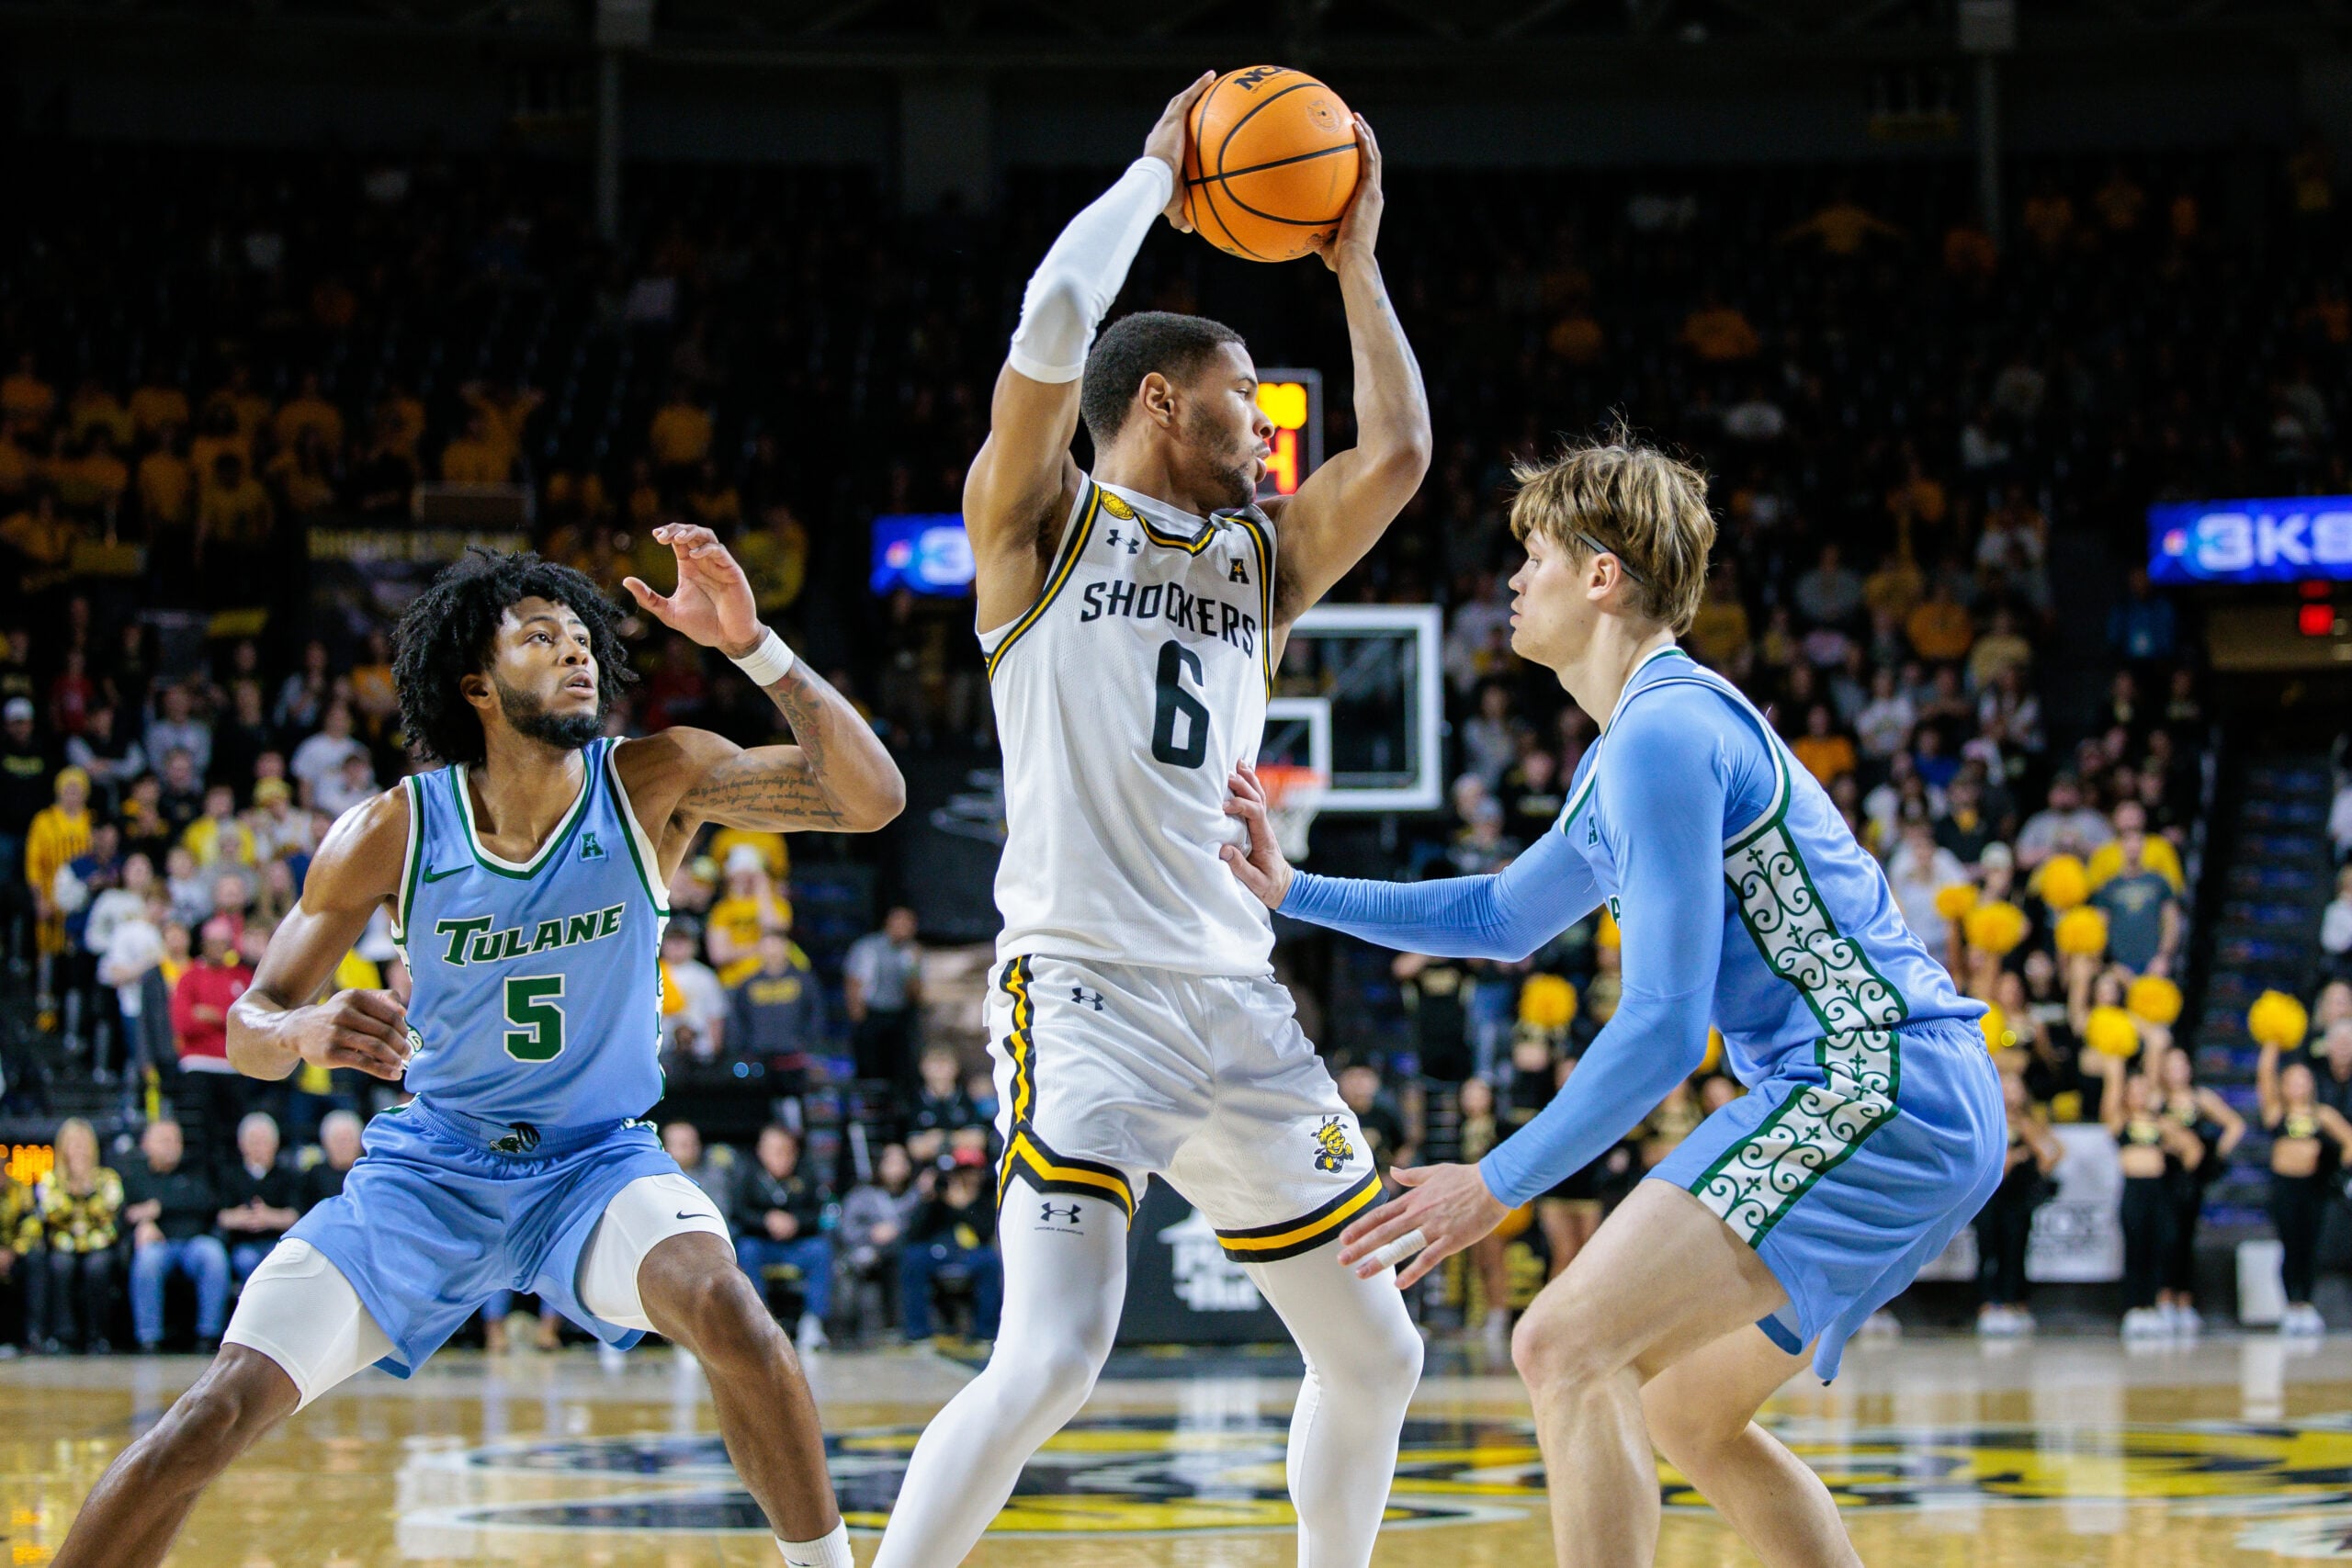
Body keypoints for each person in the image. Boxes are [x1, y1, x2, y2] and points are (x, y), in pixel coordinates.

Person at [1220, 428, 2001, 1568]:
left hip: (1871, 1082)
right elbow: (1499, 917)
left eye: (1532, 554)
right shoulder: (1637, 742)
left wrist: (1494, 1184)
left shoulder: (1664, 736)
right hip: (1910, 1097)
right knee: (1686, 1411)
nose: (1512, 579)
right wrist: (1295, 888)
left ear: (1601, 576)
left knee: (1564, 1346)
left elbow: (1664, 1028)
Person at [52, 535, 902, 1568]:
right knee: (212, 1416)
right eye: (542, 637)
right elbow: (249, 1026)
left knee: (727, 1305)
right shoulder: (391, 829)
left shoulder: (653, 780)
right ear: (478, 685)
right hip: (430, 1172)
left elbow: (870, 801)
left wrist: (755, 646)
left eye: (584, 637)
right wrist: (303, 1029)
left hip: (595, 1164)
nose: (578, 653)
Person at [872, 77, 1430, 1568]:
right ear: (1167, 400)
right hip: (1086, 988)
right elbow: (1053, 328)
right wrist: (1152, 176)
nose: (1268, 427)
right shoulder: (1038, 524)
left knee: (1380, 1353)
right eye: (1249, 396)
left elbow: (1404, 457)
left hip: (1238, 999)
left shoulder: (1264, 557)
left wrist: (1355, 261)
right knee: (1054, 1355)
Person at [2100, 1055, 2203, 1339]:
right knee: (2135, 1248)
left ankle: (2155, 1304)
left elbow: (2192, 1148)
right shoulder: (2121, 1121)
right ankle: (2134, 1307)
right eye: (2134, 1091)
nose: (2139, 1096)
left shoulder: (2162, 1123)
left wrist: (2178, 1167)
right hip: (2133, 1189)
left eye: (2145, 1091)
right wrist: (2115, 1072)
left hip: (2158, 1191)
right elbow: (2108, 1107)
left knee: (2159, 1247)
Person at [2255, 1038, 2352, 1337]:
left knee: (2311, 1247)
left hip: (2314, 1187)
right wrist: (2271, 1042)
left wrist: (2339, 1170)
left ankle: (2307, 1304)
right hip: (2285, 1187)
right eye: (2292, 1081)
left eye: (2303, 1081)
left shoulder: (2322, 1115)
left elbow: (2349, 1139)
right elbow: (2264, 1078)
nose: (2298, 1087)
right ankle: (2290, 1305)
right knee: (2290, 1245)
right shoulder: (2276, 1113)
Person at [2154, 1045, 2243, 1335]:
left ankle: (2184, 1301)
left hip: (2190, 1179)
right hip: (2161, 1176)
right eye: (2171, 1065)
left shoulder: (2200, 1097)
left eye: (2182, 1065)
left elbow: (2235, 1125)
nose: (2177, 1071)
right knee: (2163, 1237)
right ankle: (2163, 1298)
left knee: (2185, 1237)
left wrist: (2214, 1154)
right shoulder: (2156, 1099)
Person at [119, 1119, 230, 1352]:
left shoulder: (195, 1169)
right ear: (146, 1144)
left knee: (213, 1254)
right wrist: (142, 1222)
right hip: (159, 1244)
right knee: (148, 1259)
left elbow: (206, 1203)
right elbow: (127, 1213)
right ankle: (148, 1338)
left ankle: (208, 1335)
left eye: (175, 1140)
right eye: (164, 1140)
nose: (171, 1145)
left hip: (194, 1241)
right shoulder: (133, 1174)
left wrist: (157, 1208)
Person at [731, 1124, 832, 1353]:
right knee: (746, 1249)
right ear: (761, 1151)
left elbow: (820, 1213)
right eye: (774, 1151)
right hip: (762, 1242)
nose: (781, 1157)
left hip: (796, 1243)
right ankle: (757, 1320)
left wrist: (795, 1222)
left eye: (786, 1151)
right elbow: (738, 1211)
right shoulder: (747, 1172)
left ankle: (813, 1322)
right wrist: (765, 1220)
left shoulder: (807, 1173)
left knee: (821, 1250)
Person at [1974, 1075, 2062, 1336]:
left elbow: (2054, 1151)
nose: (2011, 1094)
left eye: (2015, 1089)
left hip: (2017, 1196)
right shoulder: (1988, 1118)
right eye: (2006, 1088)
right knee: (1988, 1249)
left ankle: (2015, 1303)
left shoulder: (2029, 1124)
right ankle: (1988, 1305)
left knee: (2016, 1249)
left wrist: (2026, 1154)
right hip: (1990, 1195)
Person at [27, 1118, 121, 1354]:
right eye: (73, 1144)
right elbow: (51, 1213)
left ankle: (98, 1336)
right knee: (61, 1265)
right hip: (63, 1242)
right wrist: (73, 1191)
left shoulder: (107, 1178)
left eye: (83, 1144)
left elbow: (109, 1210)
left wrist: (87, 1189)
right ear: (63, 1148)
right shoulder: (50, 1179)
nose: (79, 1150)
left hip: (99, 1242)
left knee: (97, 1267)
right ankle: (64, 1336)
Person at [899, 1151, 1001, 1343]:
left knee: (989, 1260)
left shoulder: (986, 1196)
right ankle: (918, 1332)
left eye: (972, 1171)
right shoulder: (937, 1196)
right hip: (938, 1252)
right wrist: (928, 1197)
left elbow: (985, 1233)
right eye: (961, 1172)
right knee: (913, 1257)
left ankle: (986, 1331)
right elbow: (914, 1233)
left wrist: (963, 1205)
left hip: (971, 1254)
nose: (967, 1177)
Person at [727, 930, 823, 1099]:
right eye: (767, 945)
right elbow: (738, 1020)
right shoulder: (747, 983)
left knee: (796, 1108)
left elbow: (815, 1014)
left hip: (794, 1059)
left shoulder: (804, 981)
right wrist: (741, 1051)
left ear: (786, 947)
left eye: (776, 944)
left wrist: (808, 1045)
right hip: (758, 1059)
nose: (772, 950)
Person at [839, 1143, 922, 1334]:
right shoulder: (862, 1195)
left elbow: (918, 1226)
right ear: (880, 1165)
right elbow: (846, 1229)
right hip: (865, 1249)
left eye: (902, 1162)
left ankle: (903, 1327)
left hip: (901, 1253)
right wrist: (871, 1233)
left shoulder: (916, 1196)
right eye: (891, 1162)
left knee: (909, 1258)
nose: (897, 1167)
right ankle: (854, 1330)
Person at [215, 1113, 301, 1286]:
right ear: (242, 1145)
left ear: (275, 1145)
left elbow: (295, 1215)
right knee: (246, 1260)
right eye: (253, 1142)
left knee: (279, 1261)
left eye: (264, 1142)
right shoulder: (229, 1176)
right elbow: (221, 1216)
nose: (259, 1147)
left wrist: (269, 1217)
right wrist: (241, 1218)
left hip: (278, 1243)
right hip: (242, 1245)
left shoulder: (287, 1176)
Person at [843, 905, 922, 1086]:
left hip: (899, 1014)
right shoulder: (868, 947)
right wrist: (857, 1013)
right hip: (871, 1013)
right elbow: (854, 980)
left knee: (901, 1066)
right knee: (869, 1065)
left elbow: (916, 994)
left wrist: (914, 968)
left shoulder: (913, 952)